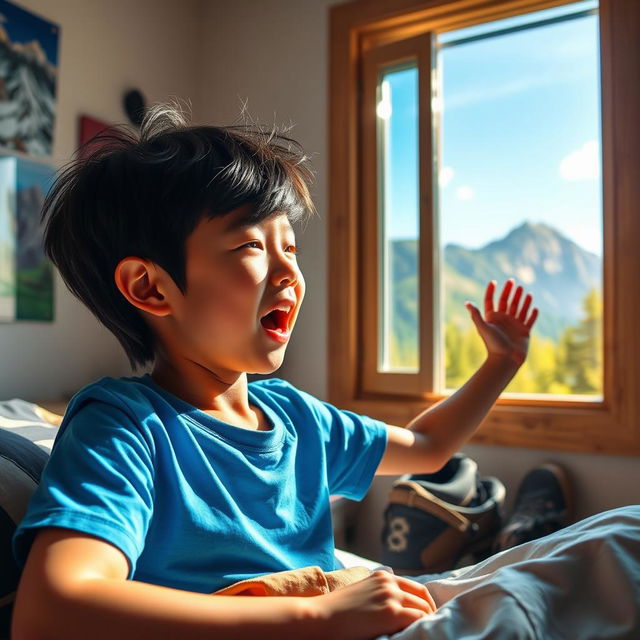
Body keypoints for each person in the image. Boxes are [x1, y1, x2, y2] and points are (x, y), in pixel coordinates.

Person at [11, 102, 538, 640]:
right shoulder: (126, 426)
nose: (289, 271)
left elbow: (427, 445)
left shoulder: (294, 416)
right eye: (251, 246)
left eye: (290, 246)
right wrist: (319, 614)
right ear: (151, 287)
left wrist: (501, 363)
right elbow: (52, 608)